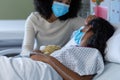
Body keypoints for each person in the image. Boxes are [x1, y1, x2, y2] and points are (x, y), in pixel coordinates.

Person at [0, 17, 115, 80]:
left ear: (93, 30)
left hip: (38, 71)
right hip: (30, 65)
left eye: (85, 27)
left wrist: (47, 59)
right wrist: (42, 54)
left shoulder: (93, 53)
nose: (81, 30)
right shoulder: (73, 47)